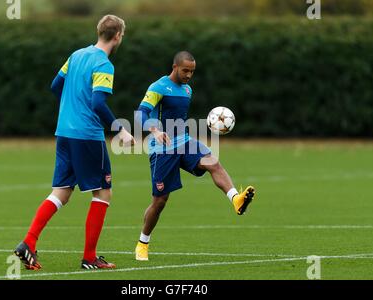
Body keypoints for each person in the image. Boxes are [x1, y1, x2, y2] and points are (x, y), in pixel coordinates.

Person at [14, 15, 135, 270]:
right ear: (117, 36)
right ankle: (89, 257)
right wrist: (120, 131)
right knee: (103, 192)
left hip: (65, 132)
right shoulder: (104, 64)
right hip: (87, 135)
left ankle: (28, 242)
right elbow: (98, 103)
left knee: (62, 191)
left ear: (99, 31)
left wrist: (71, 106)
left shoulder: (77, 55)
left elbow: (56, 85)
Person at [134, 51, 256, 261]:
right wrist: (155, 130)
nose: (189, 75)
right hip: (162, 149)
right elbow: (140, 113)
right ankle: (143, 242)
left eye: (192, 71)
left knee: (214, 163)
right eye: (185, 71)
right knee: (160, 201)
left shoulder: (188, 90)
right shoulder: (158, 87)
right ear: (174, 67)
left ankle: (236, 199)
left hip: (185, 141)